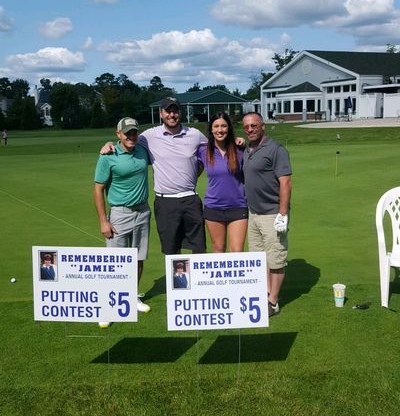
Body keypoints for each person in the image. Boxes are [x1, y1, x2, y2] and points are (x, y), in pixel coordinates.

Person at [100, 98, 208, 255]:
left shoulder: (195, 134)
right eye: (168, 111)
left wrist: (194, 173)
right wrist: (109, 143)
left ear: (180, 112)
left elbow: (214, 150)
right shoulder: (149, 136)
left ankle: (196, 280)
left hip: (191, 198)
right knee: (171, 251)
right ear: (161, 113)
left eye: (175, 110)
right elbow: (127, 140)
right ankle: (175, 280)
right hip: (165, 202)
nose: (172, 114)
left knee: (199, 249)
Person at [94, 117, 151, 316]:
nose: (131, 136)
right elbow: (98, 189)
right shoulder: (107, 156)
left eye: (134, 132)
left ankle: (132, 296)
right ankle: (109, 305)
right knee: (115, 262)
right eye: (127, 133)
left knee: (138, 258)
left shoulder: (143, 150)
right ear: (118, 134)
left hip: (143, 212)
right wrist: (103, 220)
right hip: (119, 214)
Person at [242, 112, 292, 316]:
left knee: (276, 259)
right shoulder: (247, 149)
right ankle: (265, 293)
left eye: (254, 126)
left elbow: (285, 182)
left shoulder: (276, 149)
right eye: (246, 127)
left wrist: (283, 213)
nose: (250, 129)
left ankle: (273, 301)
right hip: (253, 214)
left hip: (273, 214)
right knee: (259, 258)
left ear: (262, 126)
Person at [197, 112, 248, 253]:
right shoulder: (203, 150)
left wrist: (243, 142)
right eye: (216, 126)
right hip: (213, 207)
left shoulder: (239, 149)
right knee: (219, 248)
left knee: (237, 251)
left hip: (238, 207)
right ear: (211, 130)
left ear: (229, 128)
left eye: (224, 126)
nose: (220, 130)